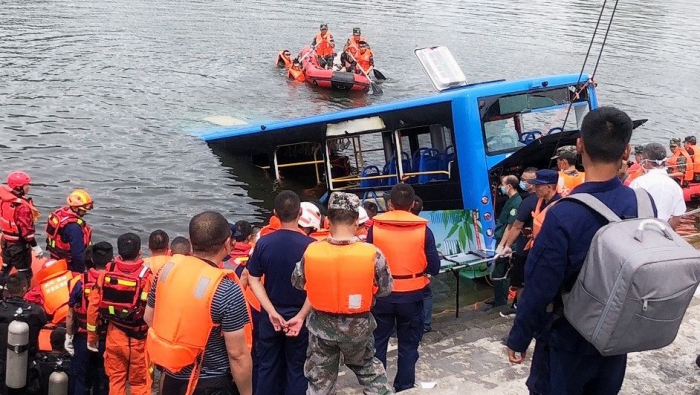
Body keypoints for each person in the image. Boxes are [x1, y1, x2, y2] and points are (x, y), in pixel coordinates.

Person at [506, 106, 655, 394]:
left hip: (568, 338)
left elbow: (539, 287)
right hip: (616, 337)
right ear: (627, 151)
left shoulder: (563, 215)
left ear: (580, 146)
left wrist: (519, 338)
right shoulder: (643, 203)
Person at [291, 192, 393, 394]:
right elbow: (386, 289)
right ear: (356, 221)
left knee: (320, 382)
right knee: (368, 371)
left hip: (321, 329)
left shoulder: (311, 251)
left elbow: (297, 282)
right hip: (358, 328)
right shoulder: (373, 254)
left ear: (327, 221)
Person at [145, 211, 252, 395]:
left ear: (190, 240)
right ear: (227, 243)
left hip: (171, 377)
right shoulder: (226, 289)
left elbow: (149, 317)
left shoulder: (166, 271)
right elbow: (238, 355)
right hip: (211, 384)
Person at [368, 183, 441, 392]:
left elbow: (368, 259)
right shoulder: (423, 230)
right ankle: (404, 386)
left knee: (379, 342)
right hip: (413, 295)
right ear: (412, 205)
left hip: (382, 294)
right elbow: (434, 267)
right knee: (408, 344)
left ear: (390, 204)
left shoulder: (375, 228)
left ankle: (377, 385)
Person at [247, 190, 314, 395]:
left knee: (267, 367)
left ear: (275, 213)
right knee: (297, 369)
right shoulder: (312, 247)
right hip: (300, 317)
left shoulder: (264, 243)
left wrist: (271, 311)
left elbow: (253, 279)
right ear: (300, 212)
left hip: (271, 315)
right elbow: (316, 287)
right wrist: (301, 316)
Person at [87, 233, 152, 395]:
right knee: (140, 384)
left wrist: (92, 337)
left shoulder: (105, 275)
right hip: (139, 340)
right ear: (139, 253)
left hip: (115, 336)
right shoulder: (148, 277)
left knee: (116, 379)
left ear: (119, 253)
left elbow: (93, 308)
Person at [66, 241, 113, 395]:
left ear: (91, 259)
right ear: (111, 260)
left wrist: (68, 335)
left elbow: (71, 313)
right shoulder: (114, 282)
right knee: (103, 378)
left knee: (80, 377)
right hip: (106, 338)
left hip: (82, 337)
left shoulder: (80, 282)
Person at [496, 167, 541, 313]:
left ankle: (521, 310)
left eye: (525, 180)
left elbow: (514, 226)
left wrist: (506, 245)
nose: (523, 183)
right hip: (530, 246)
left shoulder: (524, 202)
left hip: (525, 248)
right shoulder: (531, 201)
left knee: (520, 281)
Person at [0, 274, 48, 386]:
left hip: (2, 362)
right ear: (24, 288)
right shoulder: (36, 311)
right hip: (27, 364)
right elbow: (43, 323)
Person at [630, 142, 686, 229]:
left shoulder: (638, 183)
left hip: (640, 230)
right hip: (663, 232)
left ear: (646, 162)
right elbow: (677, 218)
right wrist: (666, 231)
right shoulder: (676, 187)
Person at [0, 171, 42, 285]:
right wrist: (36, 247)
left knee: (5, 268)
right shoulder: (22, 207)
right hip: (18, 245)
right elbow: (27, 232)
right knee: (25, 273)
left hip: (5, 241)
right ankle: (22, 297)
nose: (29, 187)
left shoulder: (4, 199)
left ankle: (1, 289)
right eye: (26, 185)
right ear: (19, 187)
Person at [490, 175, 523, 309]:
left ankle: (500, 303)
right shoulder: (510, 201)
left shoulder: (516, 202)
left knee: (501, 272)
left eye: (503, 184)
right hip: (500, 239)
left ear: (509, 186)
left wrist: (502, 245)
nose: (501, 187)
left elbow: (510, 227)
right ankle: (497, 299)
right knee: (498, 271)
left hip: (505, 242)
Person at [46, 189, 94, 273]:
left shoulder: (60, 214)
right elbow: (77, 254)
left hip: (57, 258)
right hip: (70, 265)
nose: (85, 212)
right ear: (75, 208)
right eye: (83, 209)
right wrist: (80, 272)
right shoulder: (74, 228)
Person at [24, 258, 80, 325]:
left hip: (60, 318)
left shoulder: (40, 288)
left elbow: (27, 298)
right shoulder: (73, 275)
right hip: (78, 311)